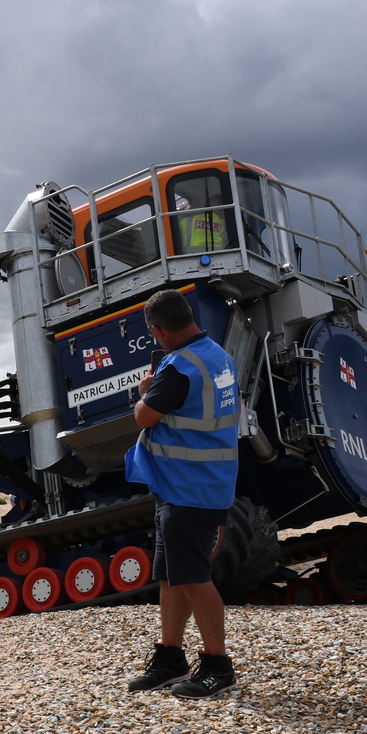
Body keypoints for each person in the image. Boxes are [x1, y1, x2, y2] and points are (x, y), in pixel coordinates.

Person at [123, 288, 241, 699]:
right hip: (198, 483)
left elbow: (145, 415)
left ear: (157, 330)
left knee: (192, 577)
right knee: (173, 575)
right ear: (188, 315)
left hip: (189, 488)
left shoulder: (178, 369)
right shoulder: (217, 356)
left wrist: (144, 392)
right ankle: (170, 657)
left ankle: (217, 665)